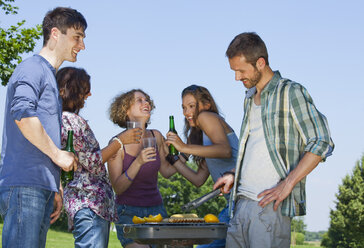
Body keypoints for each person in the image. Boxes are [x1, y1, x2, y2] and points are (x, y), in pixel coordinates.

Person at [213, 32, 335, 248]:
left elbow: (321, 141)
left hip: (269, 208)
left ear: (260, 63)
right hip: (240, 206)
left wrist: (288, 183)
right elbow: (257, 149)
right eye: (234, 71)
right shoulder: (250, 99)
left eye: (241, 70)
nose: (237, 77)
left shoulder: (290, 91)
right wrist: (235, 174)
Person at [0, 7, 87, 248]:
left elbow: (42, 131)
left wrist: (54, 186)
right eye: (77, 37)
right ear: (56, 33)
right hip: (24, 186)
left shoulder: (49, 76)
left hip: (39, 187)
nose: (82, 45)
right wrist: (58, 155)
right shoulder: (32, 68)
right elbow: (23, 115)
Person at [56, 67, 142, 247]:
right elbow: (93, 162)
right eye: (85, 89)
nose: (89, 94)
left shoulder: (64, 118)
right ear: (73, 89)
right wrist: (120, 141)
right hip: (88, 204)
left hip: (90, 206)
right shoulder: (69, 120)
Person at [165, 84, 239, 248]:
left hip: (241, 201)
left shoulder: (207, 116)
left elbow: (225, 150)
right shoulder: (200, 137)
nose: (186, 113)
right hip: (232, 204)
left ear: (206, 104)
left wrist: (183, 147)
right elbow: (198, 179)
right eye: (183, 108)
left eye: (191, 106)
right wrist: (172, 158)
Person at [107, 89, 177, 248]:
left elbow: (166, 171)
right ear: (126, 110)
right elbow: (118, 188)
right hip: (128, 212)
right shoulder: (117, 143)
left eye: (147, 100)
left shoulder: (156, 136)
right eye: (139, 100)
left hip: (157, 210)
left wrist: (186, 153)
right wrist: (138, 162)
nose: (146, 103)